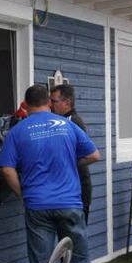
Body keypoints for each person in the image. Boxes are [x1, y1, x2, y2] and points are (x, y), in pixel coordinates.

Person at [0, 85, 100, 263]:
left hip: (37, 205)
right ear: (48, 102)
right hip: (69, 203)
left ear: (26, 105)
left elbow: (7, 169)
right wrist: (70, 162)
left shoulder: (17, 131)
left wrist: (21, 194)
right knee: (79, 262)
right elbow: (93, 155)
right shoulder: (67, 125)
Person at [50, 84, 92, 224]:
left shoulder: (73, 122)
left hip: (77, 189)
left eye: (54, 101)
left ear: (67, 103)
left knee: (76, 238)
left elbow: (88, 155)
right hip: (66, 191)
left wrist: (67, 163)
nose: (51, 105)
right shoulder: (60, 121)